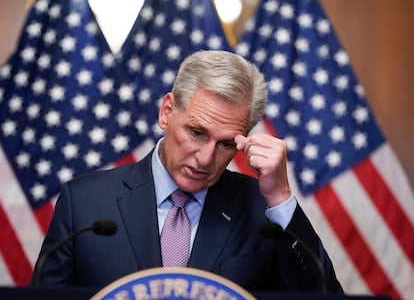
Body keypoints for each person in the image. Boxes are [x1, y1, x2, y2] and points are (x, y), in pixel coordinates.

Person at [31, 50, 343, 293]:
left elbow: (324, 296)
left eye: (225, 144)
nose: (206, 159)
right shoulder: (84, 204)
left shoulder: (264, 210)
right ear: (167, 112)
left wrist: (280, 197)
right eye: (196, 132)